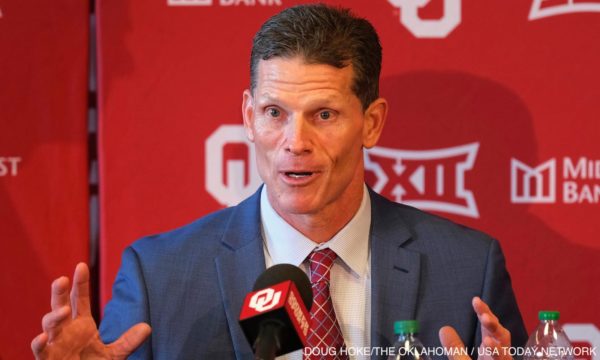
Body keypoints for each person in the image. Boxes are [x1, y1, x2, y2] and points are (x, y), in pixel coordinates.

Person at [32, 4, 527, 360]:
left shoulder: (466, 271)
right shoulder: (159, 275)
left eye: (325, 114)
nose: (296, 142)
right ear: (248, 117)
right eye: (274, 113)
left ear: (372, 123)